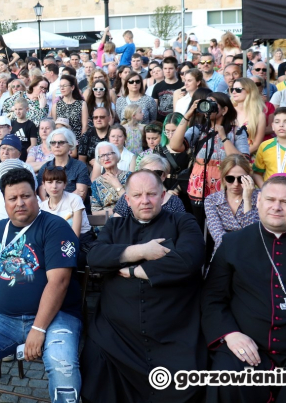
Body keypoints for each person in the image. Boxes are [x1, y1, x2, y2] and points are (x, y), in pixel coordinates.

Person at [0, 168, 82, 403]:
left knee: (62, 364)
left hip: (56, 317)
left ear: (37, 195)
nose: (20, 203)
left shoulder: (55, 227)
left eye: (25, 196)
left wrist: (39, 329)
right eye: (12, 198)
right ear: (4, 202)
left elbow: (60, 282)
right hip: (1, 317)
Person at [81, 170, 205, 403]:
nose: (145, 201)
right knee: (96, 374)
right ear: (127, 200)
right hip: (115, 335)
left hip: (173, 330)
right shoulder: (116, 227)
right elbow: (95, 257)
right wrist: (140, 251)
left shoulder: (182, 221)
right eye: (137, 195)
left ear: (163, 196)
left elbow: (190, 259)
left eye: (151, 194)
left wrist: (134, 270)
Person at [202, 175, 286, 403]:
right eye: (270, 200)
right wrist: (230, 334)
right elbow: (212, 299)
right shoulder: (233, 244)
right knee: (225, 380)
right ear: (258, 201)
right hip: (247, 352)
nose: (276, 207)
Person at [112, 154, 186, 217]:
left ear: (164, 176)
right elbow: (116, 223)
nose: (150, 176)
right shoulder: (128, 197)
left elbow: (182, 226)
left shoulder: (174, 202)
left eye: (157, 173)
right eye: (146, 171)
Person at [36, 127, 91, 202]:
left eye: (61, 142)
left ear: (70, 144)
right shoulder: (45, 168)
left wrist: (55, 204)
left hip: (75, 210)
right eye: (53, 143)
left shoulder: (80, 166)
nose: (56, 145)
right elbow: (43, 197)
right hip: (51, 211)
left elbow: (80, 195)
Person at [39, 162, 89, 240]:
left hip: (80, 241)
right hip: (55, 242)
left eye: (59, 182)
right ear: (44, 185)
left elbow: (75, 235)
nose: (54, 186)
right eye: (50, 182)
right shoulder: (42, 207)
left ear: (65, 185)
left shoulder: (75, 199)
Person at [90, 141, 130, 215]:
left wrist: (117, 185)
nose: (106, 158)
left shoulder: (130, 177)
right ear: (99, 160)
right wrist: (116, 211)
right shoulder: (96, 183)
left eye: (109, 154)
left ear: (117, 156)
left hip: (128, 220)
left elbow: (132, 203)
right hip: (107, 223)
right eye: (102, 155)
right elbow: (95, 212)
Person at [230, 77, 267, 154]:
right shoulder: (228, 112)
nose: (234, 92)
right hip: (228, 157)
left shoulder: (259, 115)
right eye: (232, 89)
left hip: (248, 157)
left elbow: (256, 144)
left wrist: (241, 156)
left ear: (249, 91)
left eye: (238, 89)